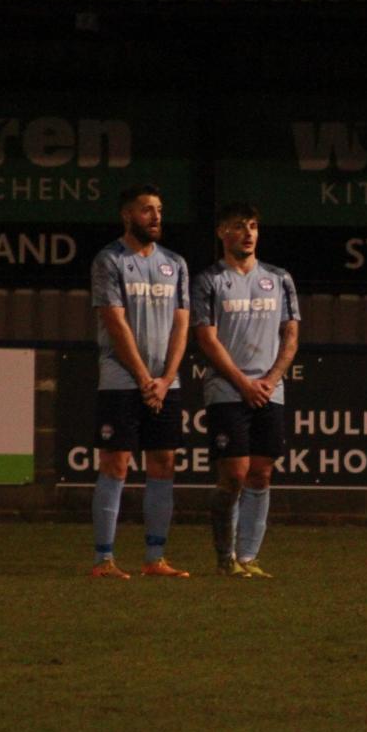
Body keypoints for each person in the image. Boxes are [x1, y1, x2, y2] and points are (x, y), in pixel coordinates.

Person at [191, 202, 300, 578]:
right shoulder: (209, 280)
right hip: (227, 389)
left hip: (269, 390)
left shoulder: (279, 278)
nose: (248, 233)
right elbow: (207, 339)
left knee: (261, 474)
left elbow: (291, 335)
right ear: (222, 233)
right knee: (234, 475)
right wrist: (243, 383)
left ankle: (249, 557)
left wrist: (271, 379)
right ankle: (226, 557)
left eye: (253, 225)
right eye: (239, 226)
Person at [88, 183, 191, 579]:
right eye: (147, 209)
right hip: (121, 380)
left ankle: (154, 558)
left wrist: (166, 378)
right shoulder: (109, 260)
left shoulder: (175, 263)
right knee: (115, 464)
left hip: (165, 384)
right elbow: (115, 323)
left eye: (159, 209)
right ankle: (104, 560)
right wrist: (146, 377)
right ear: (127, 215)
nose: (156, 216)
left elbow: (182, 324)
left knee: (163, 463)